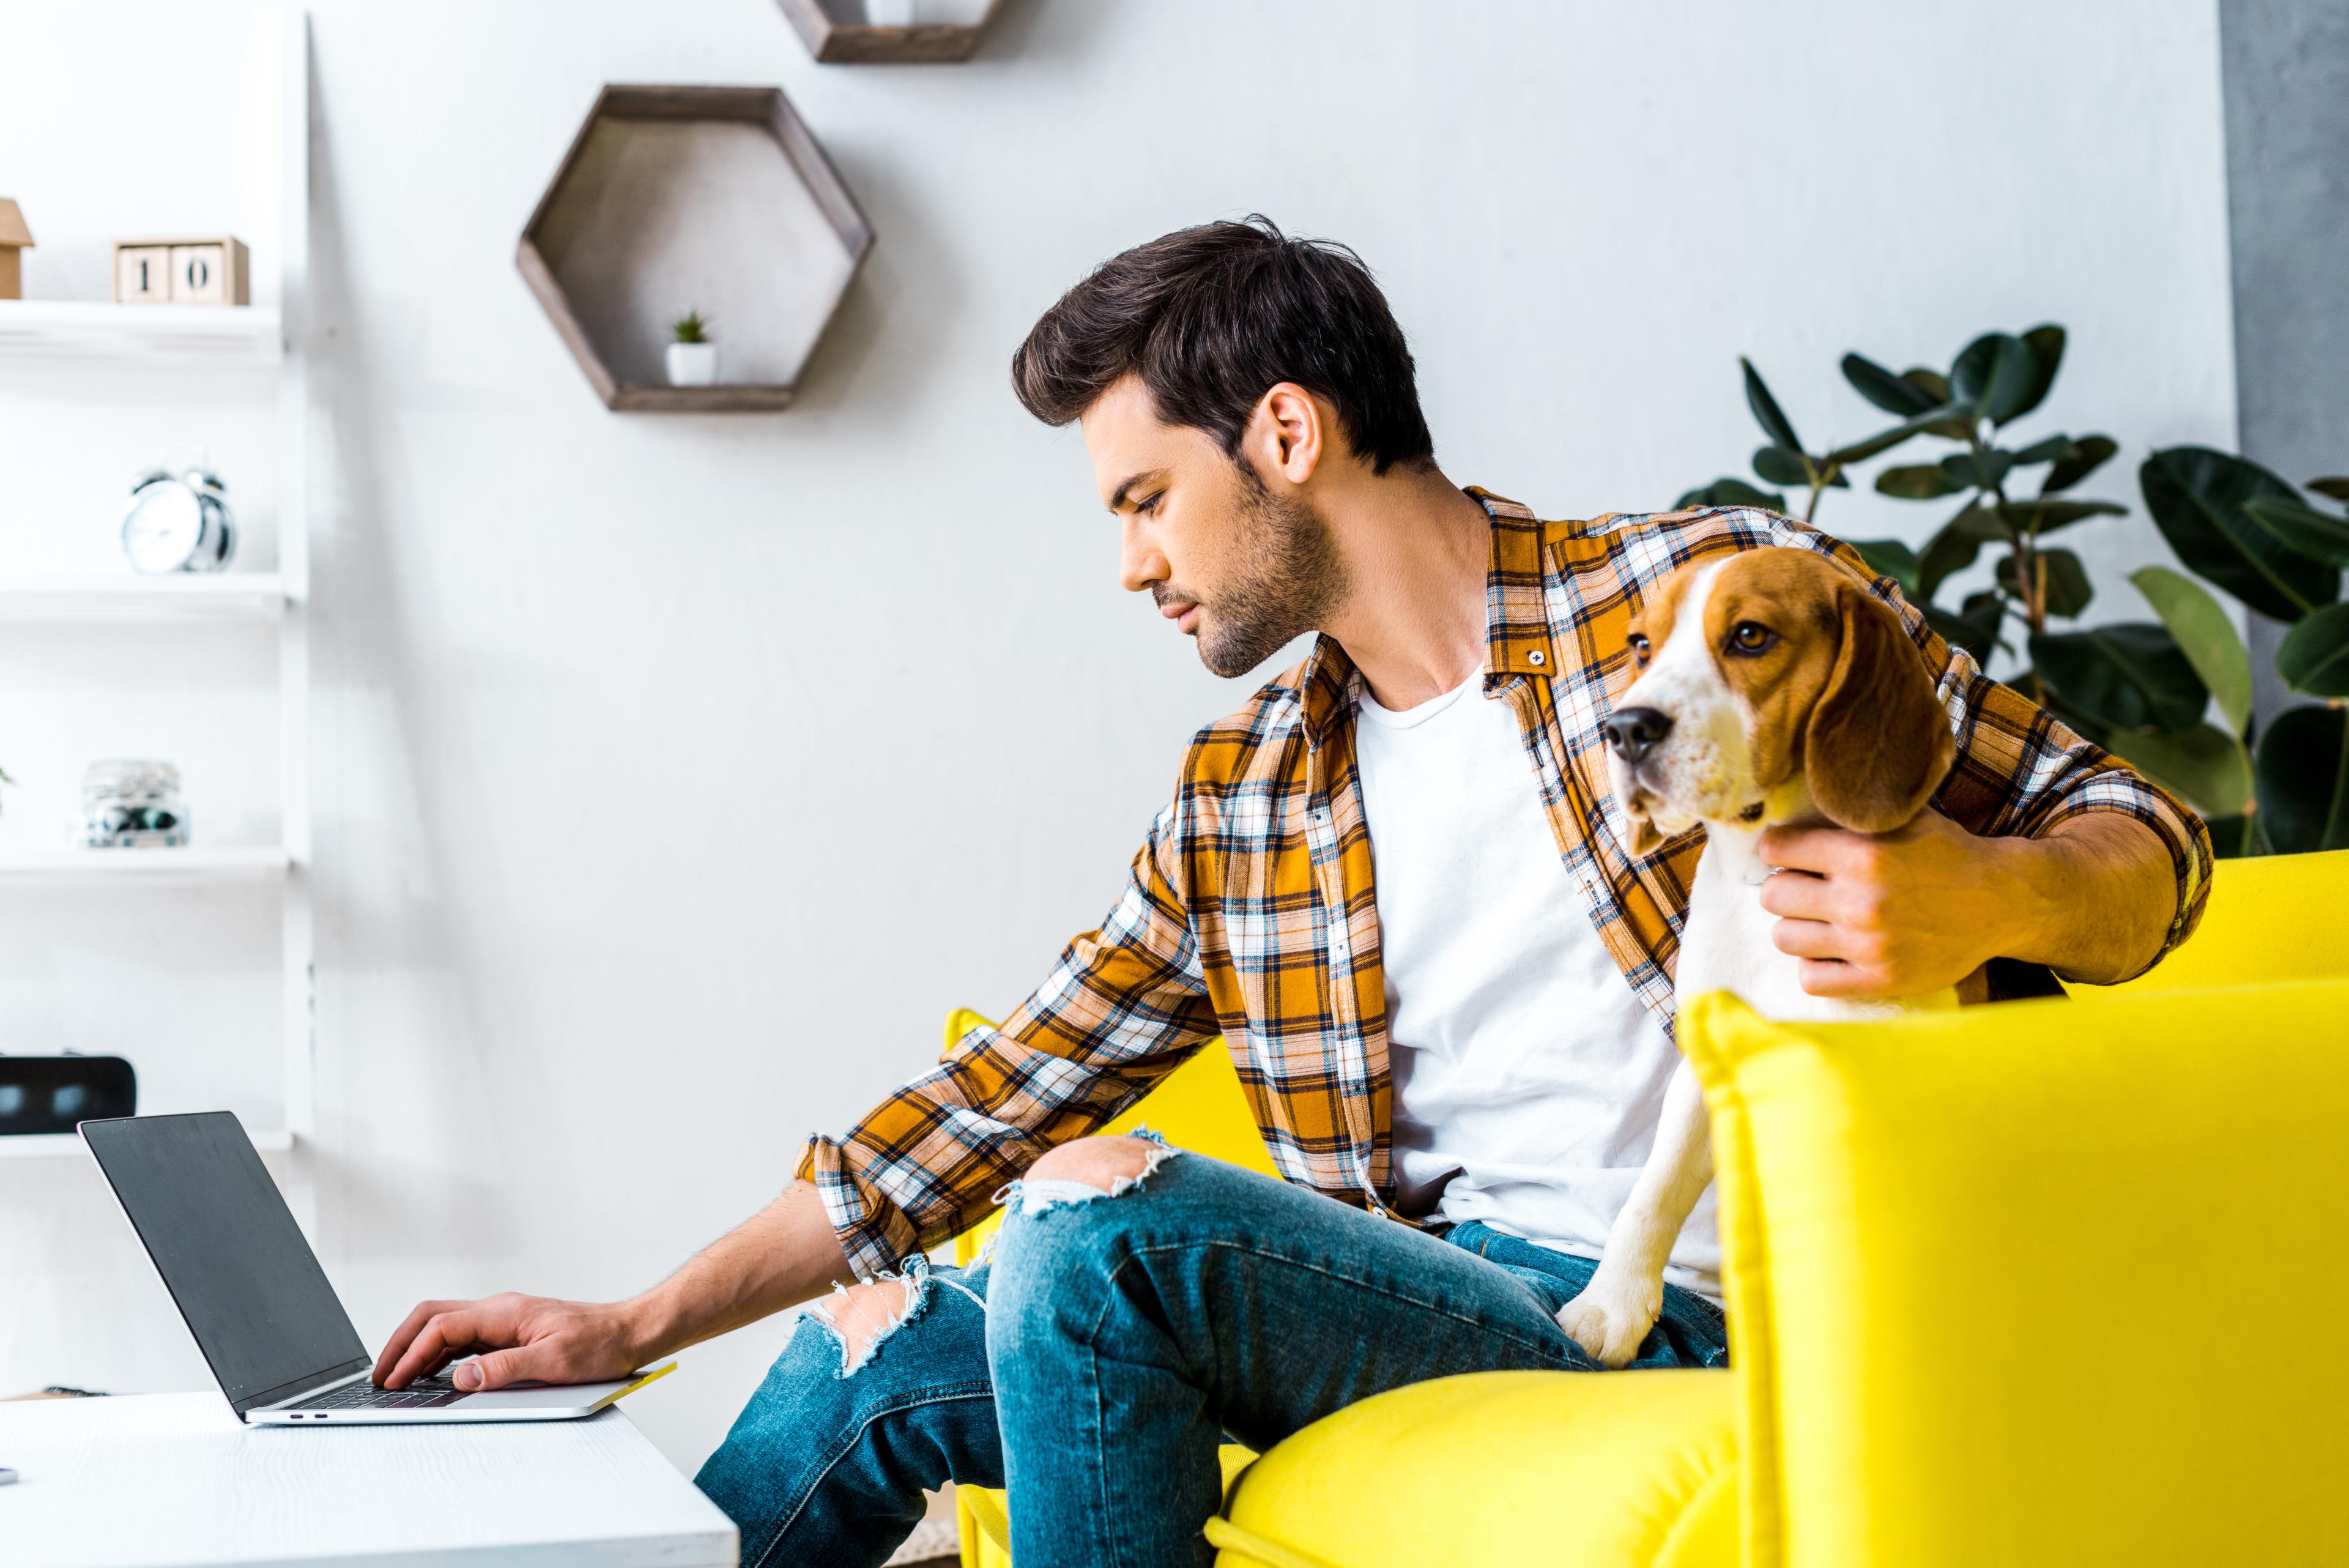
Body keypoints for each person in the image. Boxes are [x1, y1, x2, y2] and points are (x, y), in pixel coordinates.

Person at [374, 217, 2210, 1568]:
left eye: (1142, 501)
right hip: (1456, 1287)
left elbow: (2147, 837)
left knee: (1096, 1237)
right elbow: (994, 1096)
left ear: (1282, 435)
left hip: (1702, 1296)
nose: (1131, 565)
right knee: (870, 1348)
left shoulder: (1690, 612)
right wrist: (624, 1325)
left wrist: (1983, 897)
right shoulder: (1253, 790)